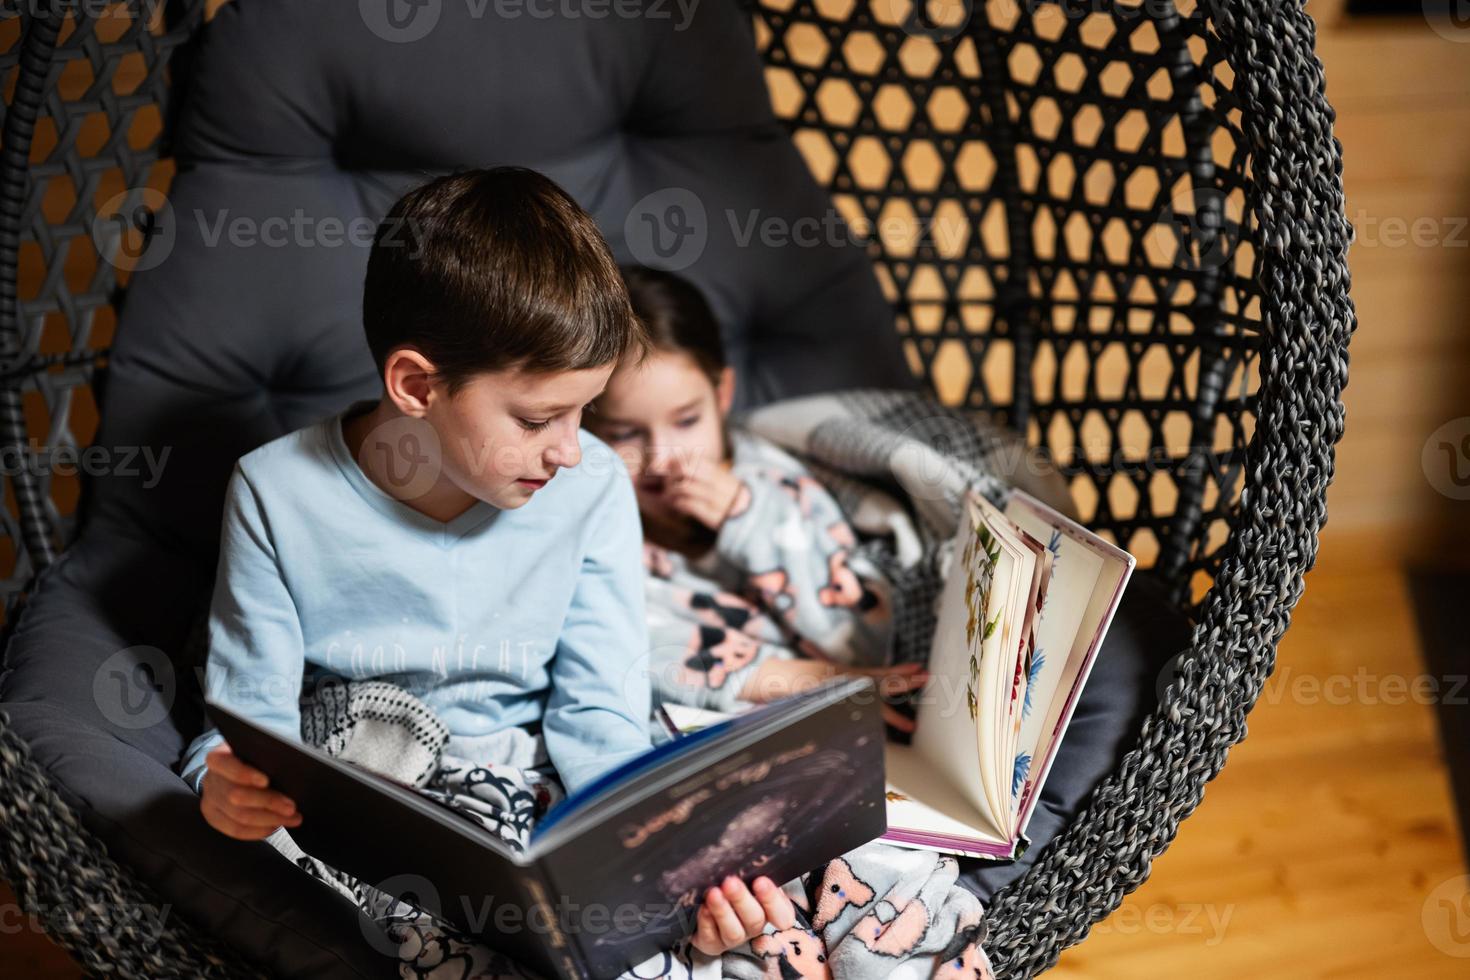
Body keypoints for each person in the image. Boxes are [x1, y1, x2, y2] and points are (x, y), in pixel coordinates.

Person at [174, 168, 794, 956]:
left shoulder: (594, 483)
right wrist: (225, 783)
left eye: (582, 413)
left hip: (531, 799)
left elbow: (599, 713)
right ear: (416, 386)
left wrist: (662, 854)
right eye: (539, 418)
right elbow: (244, 726)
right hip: (368, 801)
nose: (570, 450)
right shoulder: (274, 493)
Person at [583, 265, 928, 730]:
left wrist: (748, 518)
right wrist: (788, 678)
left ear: (722, 394)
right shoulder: (595, 527)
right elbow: (612, 651)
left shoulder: (773, 485)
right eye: (624, 434)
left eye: (686, 421)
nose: (664, 458)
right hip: (739, 725)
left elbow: (862, 642)